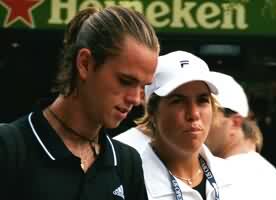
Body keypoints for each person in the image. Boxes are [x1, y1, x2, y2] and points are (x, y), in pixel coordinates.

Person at [0, 6, 160, 200]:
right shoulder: (10, 147)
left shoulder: (127, 163)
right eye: (126, 81)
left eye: (143, 86)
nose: (135, 98)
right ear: (85, 63)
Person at [115, 50, 241, 200]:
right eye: (178, 101)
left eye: (202, 100)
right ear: (153, 112)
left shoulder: (233, 178)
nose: (193, 114)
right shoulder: (126, 182)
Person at [205, 71, 276, 200]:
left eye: (208, 114)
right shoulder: (264, 174)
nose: (198, 123)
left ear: (235, 122)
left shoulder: (235, 178)